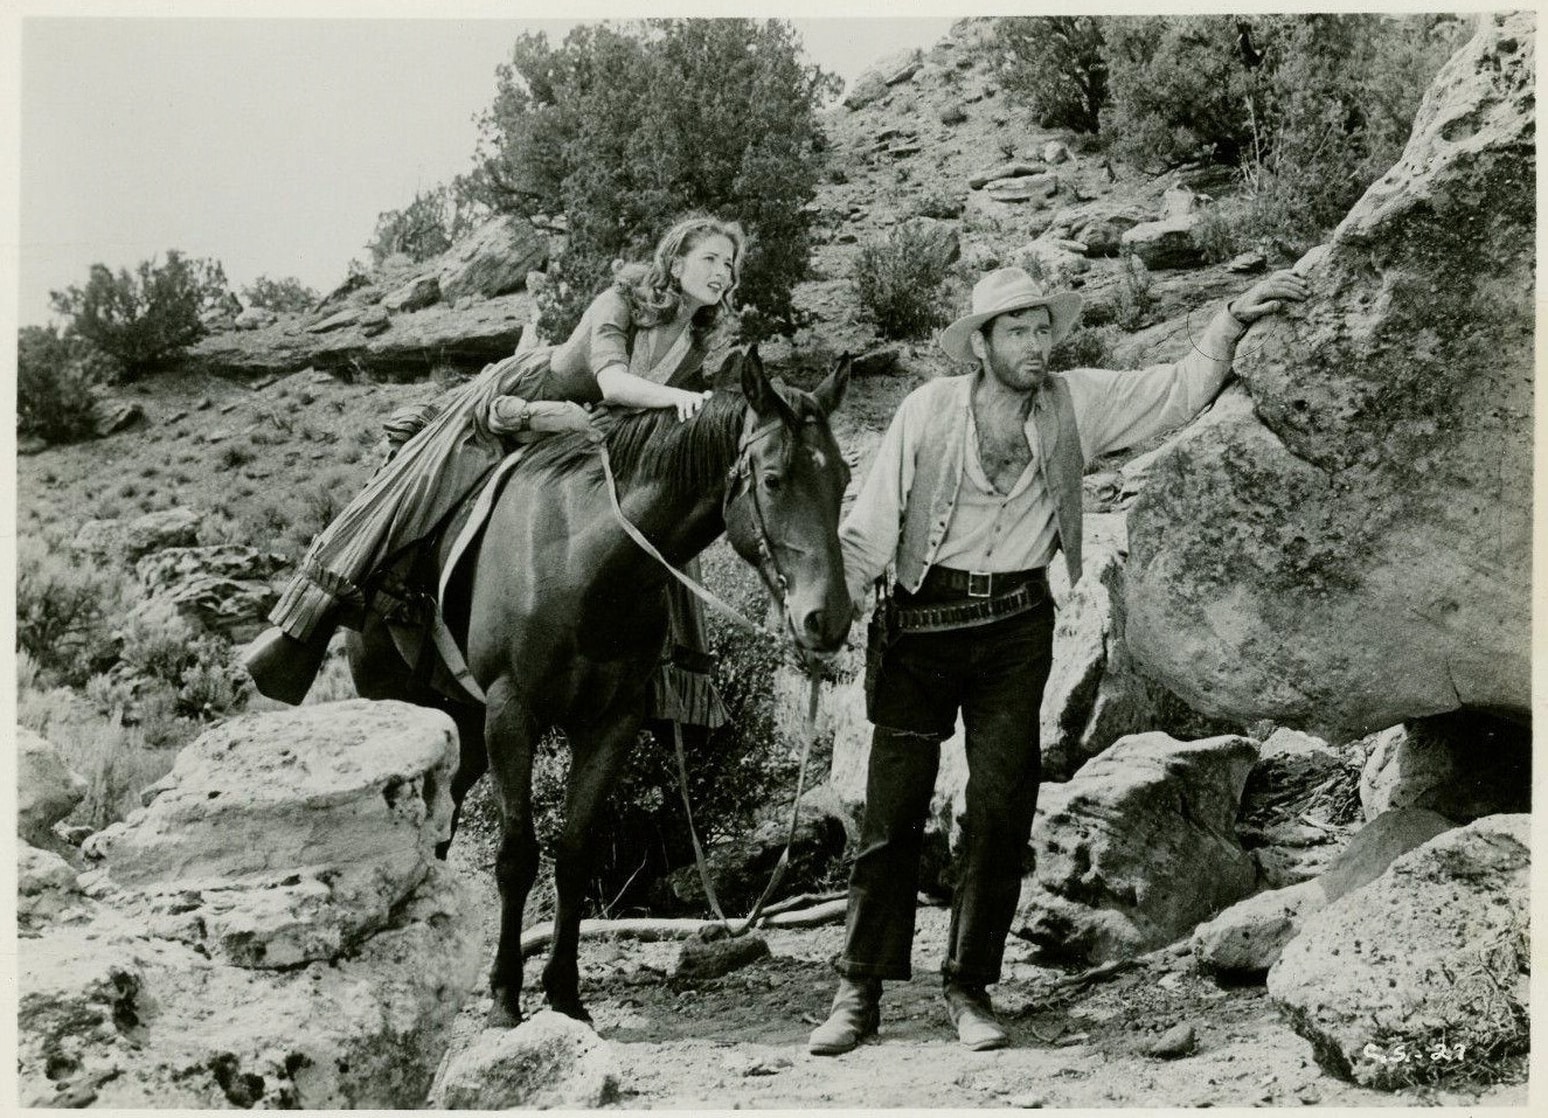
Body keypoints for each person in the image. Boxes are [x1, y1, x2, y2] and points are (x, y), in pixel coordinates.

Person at [808, 264, 1310, 1055]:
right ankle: (860, 989)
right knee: (892, 810)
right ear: (982, 343)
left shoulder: (1078, 400)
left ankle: (969, 986)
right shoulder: (928, 408)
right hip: (919, 627)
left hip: (1015, 627)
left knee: (1002, 811)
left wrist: (1230, 321)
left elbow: (1176, 390)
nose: (1036, 344)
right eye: (1018, 331)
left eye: (1043, 328)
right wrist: (827, 618)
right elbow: (870, 529)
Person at [243, 214, 747, 707]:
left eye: (729, 262)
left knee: (665, 518)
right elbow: (614, 382)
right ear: (675, 264)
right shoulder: (619, 301)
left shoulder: (696, 340)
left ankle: (678, 679)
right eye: (710, 259)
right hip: (526, 401)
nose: (722, 272)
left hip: (595, 433)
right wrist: (677, 401)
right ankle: (324, 611)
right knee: (425, 482)